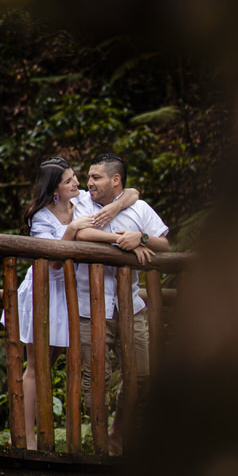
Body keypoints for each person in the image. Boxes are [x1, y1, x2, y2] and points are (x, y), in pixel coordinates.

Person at [6, 156, 140, 449]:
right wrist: (72, 230)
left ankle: (64, 435)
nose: (77, 183)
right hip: (44, 289)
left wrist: (116, 207)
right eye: (69, 181)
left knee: (62, 363)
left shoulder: (80, 203)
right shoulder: (41, 216)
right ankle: (28, 439)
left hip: (71, 293)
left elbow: (130, 193)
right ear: (55, 189)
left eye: (75, 178)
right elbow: (53, 261)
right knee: (37, 365)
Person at [71, 152, 169, 453]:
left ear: (116, 180)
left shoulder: (138, 207)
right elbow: (78, 232)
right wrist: (118, 241)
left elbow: (165, 243)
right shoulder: (81, 204)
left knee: (140, 375)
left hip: (131, 308)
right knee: (93, 380)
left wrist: (139, 238)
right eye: (88, 177)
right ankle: (99, 448)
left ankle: (116, 435)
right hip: (90, 307)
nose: (89, 183)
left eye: (95, 177)